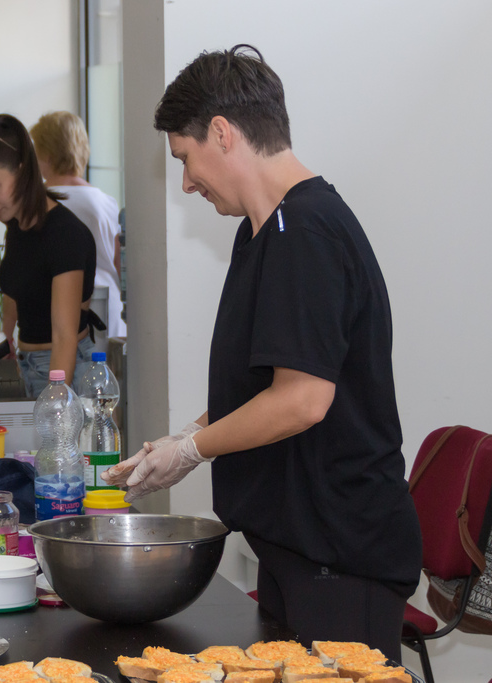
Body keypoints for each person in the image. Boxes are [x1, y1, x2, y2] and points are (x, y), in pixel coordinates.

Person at [104, 45, 422, 659]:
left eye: (185, 159)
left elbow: (302, 401)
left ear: (221, 133)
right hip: (295, 543)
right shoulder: (263, 231)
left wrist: (192, 451)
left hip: (340, 549)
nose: (187, 182)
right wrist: (179, 442)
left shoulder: (306, 231)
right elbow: (263, 390)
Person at [0, 114, 97, 397]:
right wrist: (5, 338)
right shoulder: (17, 225)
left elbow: (64, 335)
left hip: (66, 370)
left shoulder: (64, 234)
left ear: (22, 171)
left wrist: (56, 403)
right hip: (30, 364)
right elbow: (15, 290)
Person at [30, 111, 126, 339]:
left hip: (52, 305)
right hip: (105, 306)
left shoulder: (32, 203)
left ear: (47, 154)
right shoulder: (104, 201)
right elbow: (117, 260)